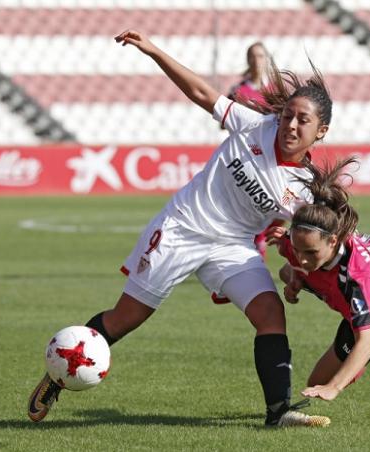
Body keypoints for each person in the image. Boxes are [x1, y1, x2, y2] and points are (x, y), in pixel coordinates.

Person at [27, 29, 333, 428]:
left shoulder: (305, 188)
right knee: (125, 318)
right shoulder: (254, 126)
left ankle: (278, 413)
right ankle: (57, 377)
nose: (290, 124)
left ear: (320, 132)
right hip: (183, 227)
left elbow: (304, 240)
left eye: (302, 120)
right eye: (288, 115)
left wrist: (294, 267)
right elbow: (204, 94)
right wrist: (154, 50)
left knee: (270, 314)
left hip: (233, 247)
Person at [268, 158, 370, 403]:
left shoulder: (357, 280)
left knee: (321, 382)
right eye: (297, 249)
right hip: (338, 286)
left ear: (333, 241)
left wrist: (333, 388)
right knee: (318, 383)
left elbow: (365, 343)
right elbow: (287, 269)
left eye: (310, 253)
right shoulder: (301, 242)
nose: (301, 259)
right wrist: (295, 280)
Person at [225, 41, 282, 261]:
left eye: (260, 56)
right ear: (248, 60)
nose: (257, 60)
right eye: (253, 56)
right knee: (248, 203)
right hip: (244, 155)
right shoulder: (238, 90)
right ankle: (250, 245)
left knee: (277, 201)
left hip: (269, 155)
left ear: (267, 59)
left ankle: (260, 238)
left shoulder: (276, 91)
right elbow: (226, 121)